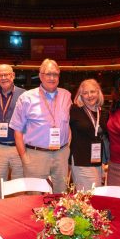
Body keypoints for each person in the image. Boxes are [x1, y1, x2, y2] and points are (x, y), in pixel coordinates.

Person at [10, 59, 71, 193]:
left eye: (55, 74)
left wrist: (67, 147)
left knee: (61, 197)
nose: (52, 78)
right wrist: (24, 157)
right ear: (40, 75)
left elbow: (68, 124)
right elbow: (17, 130)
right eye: (48, 74)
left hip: (61, 155)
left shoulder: (66, 95)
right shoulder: (26, 97)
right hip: (35, 155)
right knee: (34, 198)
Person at [0, 64, 25, 200]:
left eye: (6, 74)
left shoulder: (24, 94)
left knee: (19, 184)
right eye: (0, 75)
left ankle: (19, 213)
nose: (3, 78)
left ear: (13, 75)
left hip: (18, 147)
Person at [69, 79, 107, 190]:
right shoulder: (74, 110)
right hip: (81, 160)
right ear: (80, 95)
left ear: (98, 92)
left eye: (92, 92)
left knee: (95, 195)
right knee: (90, 195)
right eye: (85, 93)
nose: (89, 96)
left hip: (98, 161)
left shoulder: (102, 112)